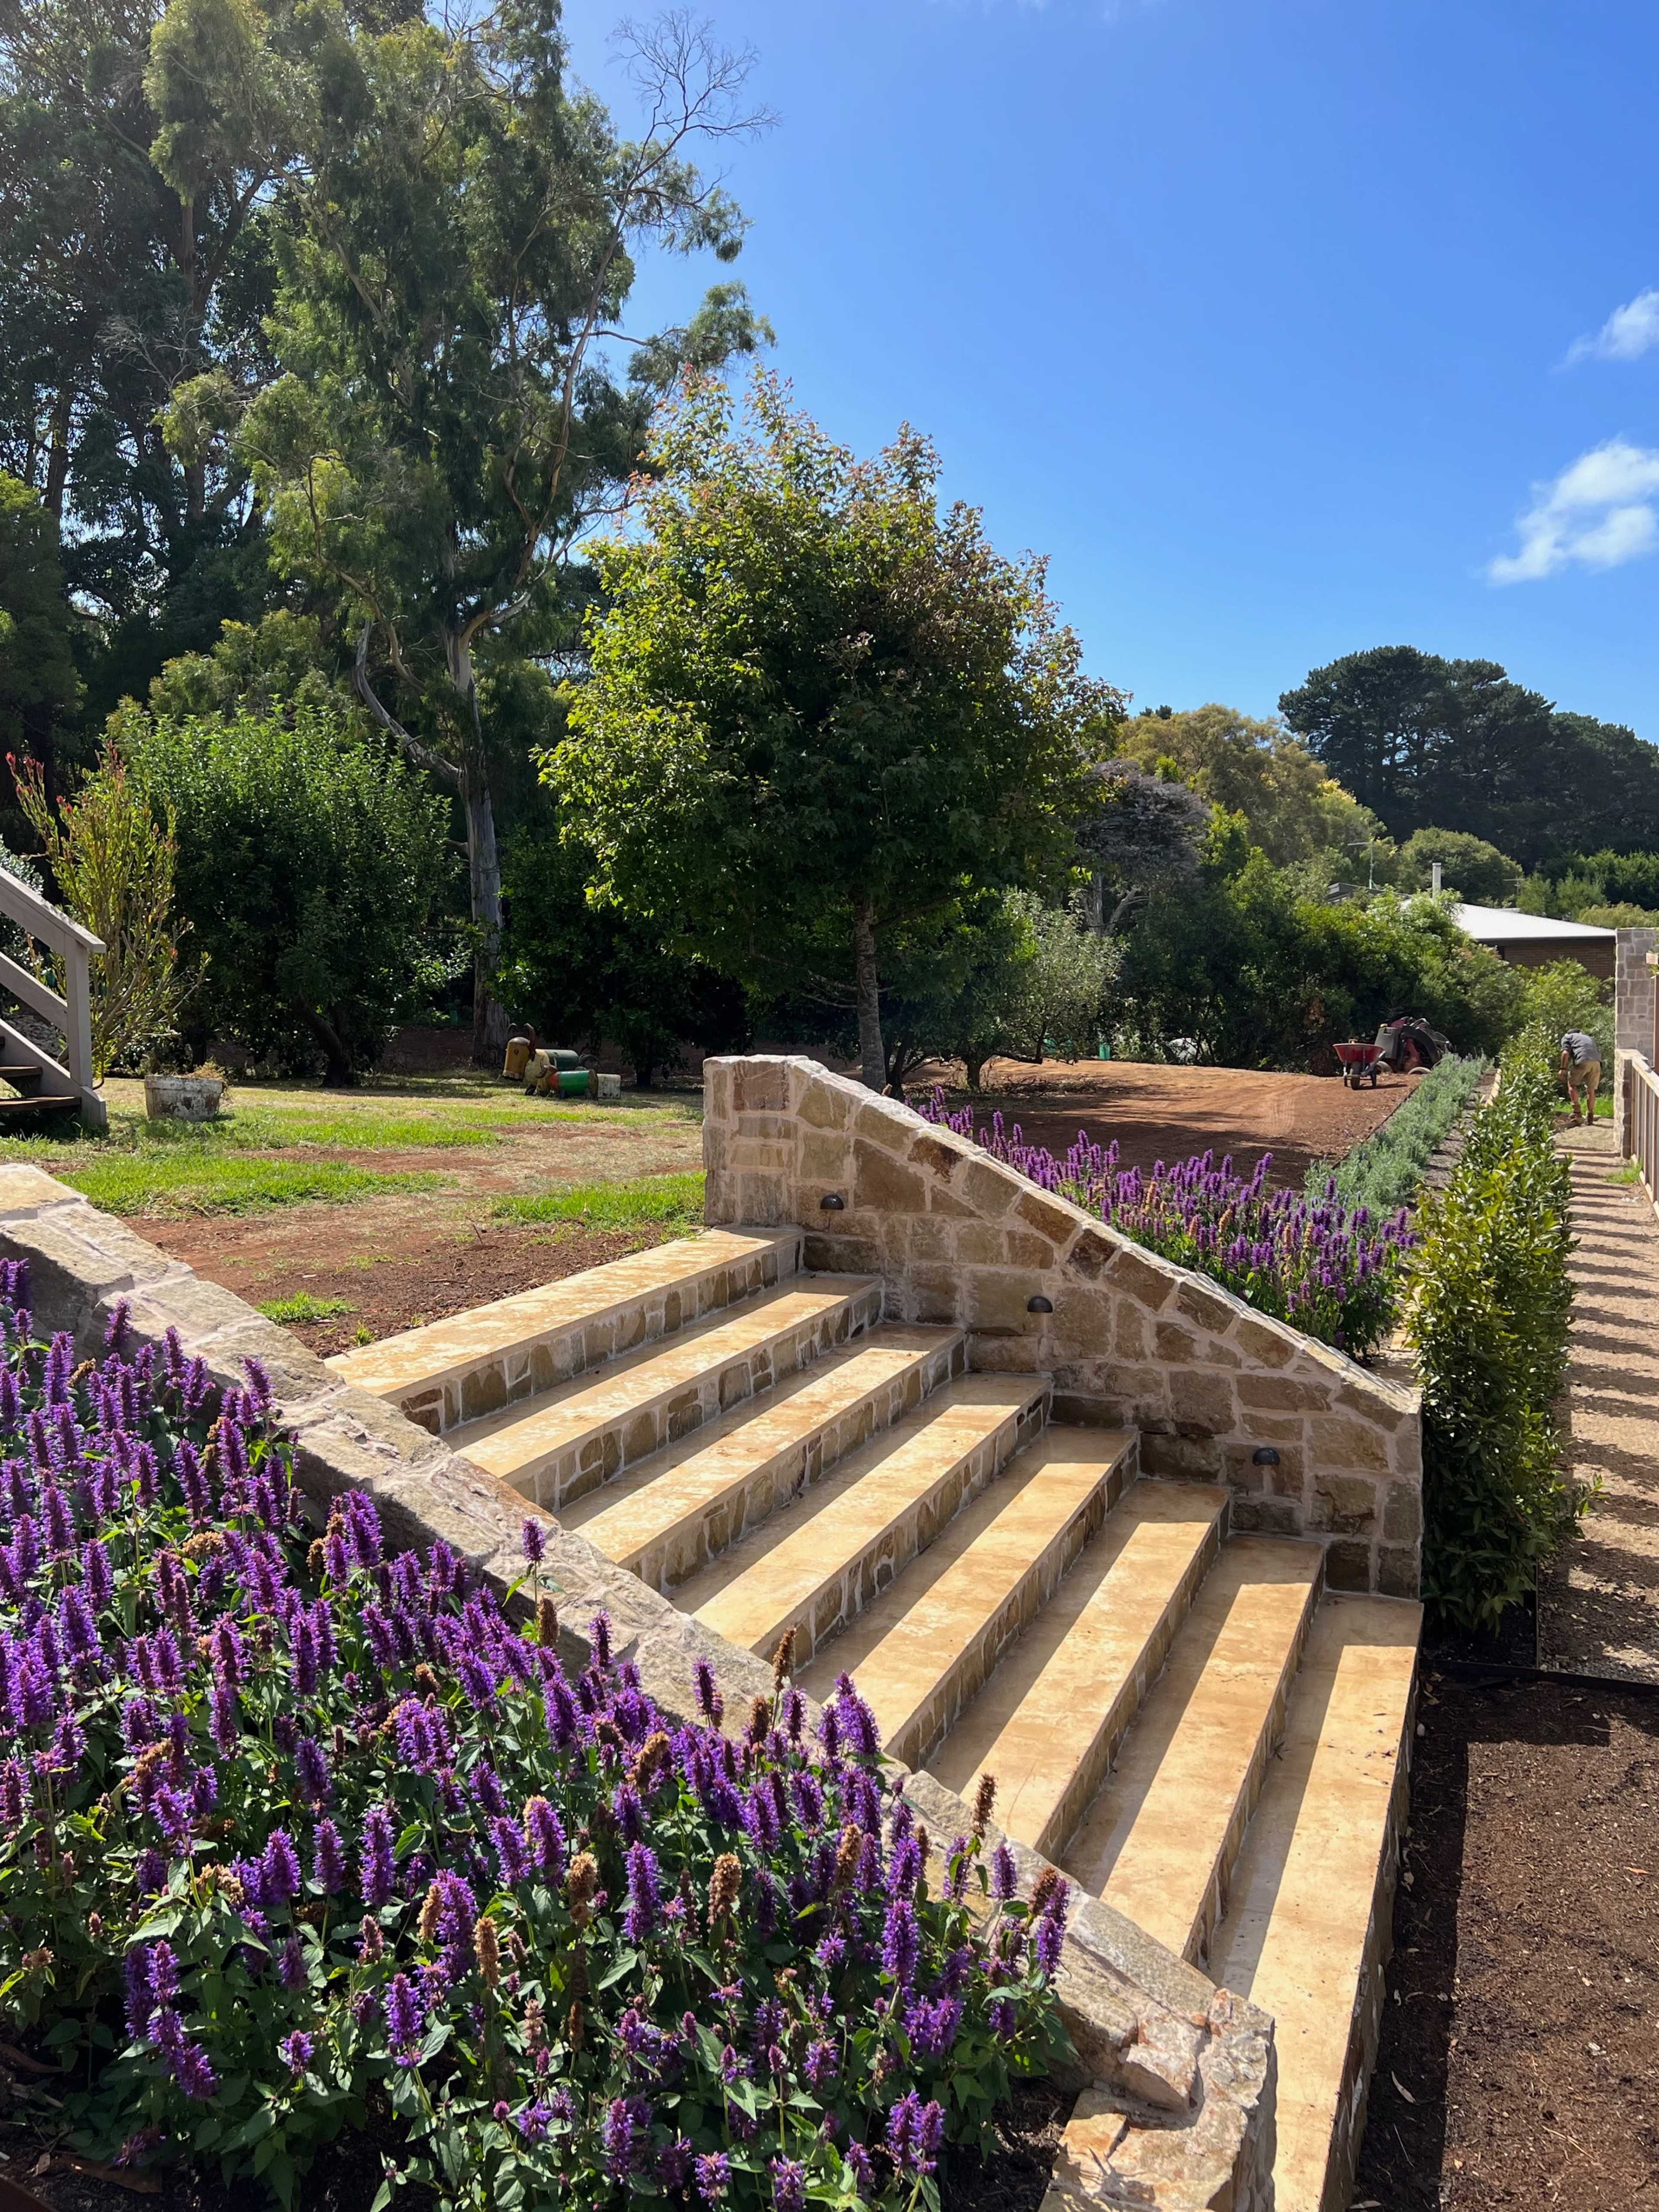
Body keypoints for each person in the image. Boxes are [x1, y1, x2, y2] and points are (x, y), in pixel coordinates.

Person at [1559, 1030, 1602, 1125]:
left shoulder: (1568, 1037)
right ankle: (1590, 1116)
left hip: (1582, 1060)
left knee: (1572, 1084)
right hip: (1597, 1063)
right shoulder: (1589, 1038)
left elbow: (1566, 1053)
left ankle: (1577, 1113)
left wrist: (1563, 1069)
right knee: (1591, 1090)